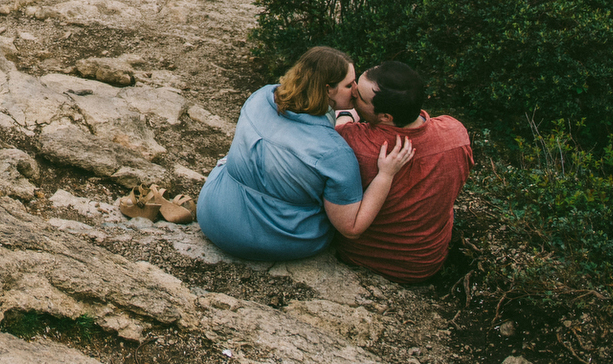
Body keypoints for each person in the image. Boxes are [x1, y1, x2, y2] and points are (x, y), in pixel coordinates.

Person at [196, 45, 414, 261]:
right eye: (349, 85)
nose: (356, 89)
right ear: (328, 90)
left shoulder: (261, 97)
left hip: (212, 214)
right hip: (266, 241)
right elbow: (352, 228)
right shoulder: (336, 152)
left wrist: (343, 119)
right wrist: (385, 175)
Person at [333, 60, 473, 284]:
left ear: (386, 116)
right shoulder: (455, 135)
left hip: (359, 258)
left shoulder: (351, 142)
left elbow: (338, 131)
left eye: (359, 95)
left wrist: (346, 115)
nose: (354, 95)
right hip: (425, 266)